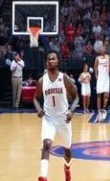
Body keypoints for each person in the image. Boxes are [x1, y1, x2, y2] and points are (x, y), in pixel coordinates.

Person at [33, 52, 78, 181]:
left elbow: (76, 97)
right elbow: (35, 99)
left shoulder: (64, 78)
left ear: (58, 62)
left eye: (53, 59)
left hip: (63, 119)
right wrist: (39, 109)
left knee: (67, 150)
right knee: (46, 145)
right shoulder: (42, 81)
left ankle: (67, 166)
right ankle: (43, 176)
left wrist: (71, 111)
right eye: (48, 59)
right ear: (46, 63)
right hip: (48, 119)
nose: (50, 61)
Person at [95, 47, 110, 117]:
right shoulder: (97, 58)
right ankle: (99, 110)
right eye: (101, 48)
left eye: (103, 48)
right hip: (100, 77)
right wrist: (96, 75)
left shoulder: (108, 57)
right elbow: (95, 67)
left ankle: (103, 109)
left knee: (106, 95)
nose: (102, 49)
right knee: (99, 95)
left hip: (106, 77)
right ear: (100, 50)